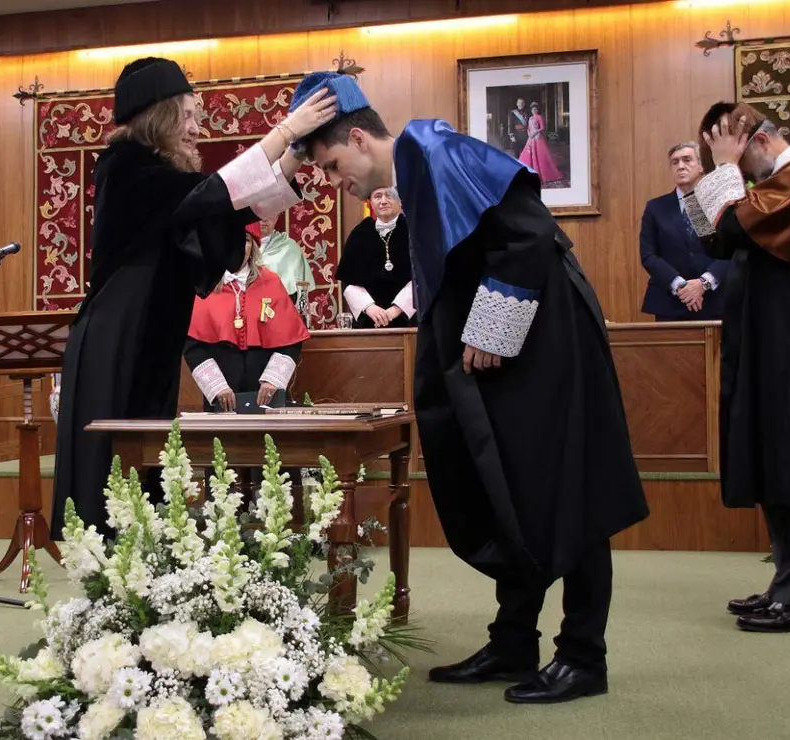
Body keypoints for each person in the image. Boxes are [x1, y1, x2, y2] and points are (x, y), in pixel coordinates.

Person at [291, 72, 648, 704]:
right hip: (503, 352)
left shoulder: (437, 149)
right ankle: (514, 642)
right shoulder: (415, 173)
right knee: (506, 485)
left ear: (358, 139)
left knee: (569, 485)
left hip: (546, 340)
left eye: (333, 165)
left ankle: (583, 655)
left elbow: (530, 232)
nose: (336, 182)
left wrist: (491, 325)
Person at [50, 57, 336, 538]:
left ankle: (140, 550)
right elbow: (216, 193)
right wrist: (286, 131)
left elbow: (233, 206)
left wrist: (296, 153)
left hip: (151, 336)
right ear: (158, 115)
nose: (196, 129)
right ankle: (105, 554)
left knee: (146, 462)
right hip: (119, 336)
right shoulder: (125, 166)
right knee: (114, 466)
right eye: (186, 116)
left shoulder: (163, 178)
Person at [694, 102, 790, 633]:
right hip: (761, 341)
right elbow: (715, 238)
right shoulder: (767, 187)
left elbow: (737, 223)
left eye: (733, 151)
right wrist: (713, 178)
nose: (734, 167)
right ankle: (784, 584)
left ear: (757, 139)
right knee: (771, 460)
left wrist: (725, 169)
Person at [184, 223, 310, 412]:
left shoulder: (271, 282)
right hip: (222, 399)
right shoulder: (205, 286)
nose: (239, 247)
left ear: (253, 247)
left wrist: (273, 380)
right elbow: (193, 346)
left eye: (246, 240)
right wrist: (217, 387)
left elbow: (291, 341)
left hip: (267, 398)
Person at [639, 141, 727, 320]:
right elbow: (648, 255)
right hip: (670, 303)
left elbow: (728, 251)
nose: (680, 166)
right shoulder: (656, 207)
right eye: (675, 162)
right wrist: (681, 286)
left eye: (687, 160)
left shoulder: (720, 203)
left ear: (701, 166)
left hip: (714, 302)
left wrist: (703, 283)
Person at [335, 186, 414, 328]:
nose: (383, 201)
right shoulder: (360, 233)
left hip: (410, 319)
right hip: (369, 320)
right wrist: (370, 307)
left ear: (400, 200)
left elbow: (424, 277)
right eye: (378, 196)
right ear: (370, 202)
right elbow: (348, 279)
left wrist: (397, 308)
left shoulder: (414, 232)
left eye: (389, 195)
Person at [256, 216, 315, 310]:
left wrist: (301, 314)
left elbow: (302, 292)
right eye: (260, 214)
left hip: (281, 309)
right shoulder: (241, 247)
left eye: (270, 214)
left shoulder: (290, 247)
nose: (264, 219)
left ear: (276, 217)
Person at [517, 102, 563, 186]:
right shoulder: (530, 118)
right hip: (531, 137)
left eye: (535, 109)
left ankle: (541, 174)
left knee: (539, 155)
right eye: (533, 109)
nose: (534, 110)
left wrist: (535, 132)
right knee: (527, 155)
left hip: (537, 137)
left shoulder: (539, 117)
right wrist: (529, 133)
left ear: (537, 110)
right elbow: (528, 128)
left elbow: (542, 128)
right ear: (531, 110)